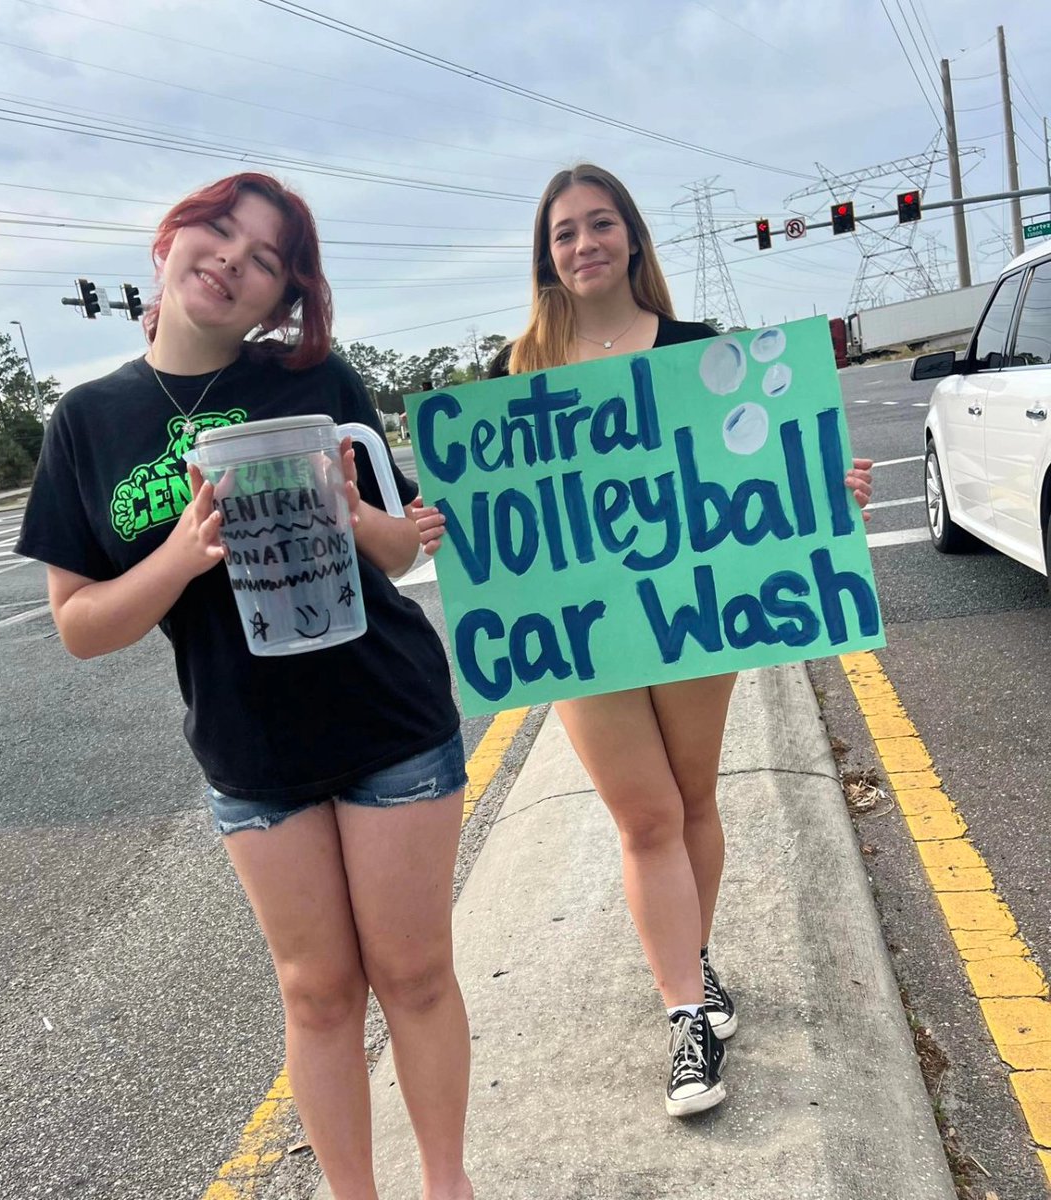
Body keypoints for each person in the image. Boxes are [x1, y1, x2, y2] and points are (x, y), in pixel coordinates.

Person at [16, 172, 474, 1200]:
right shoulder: (87, 421)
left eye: (266, 258)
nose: (232, 258)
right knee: (317, 996)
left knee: (415, 976)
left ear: (280, 298)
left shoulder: (316, 379)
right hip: (250, 748)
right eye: (219, 229)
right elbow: (80, 625)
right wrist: (182, 553)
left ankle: (449, 1186)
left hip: (390, 716)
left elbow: (401, 548)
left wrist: (359, 513)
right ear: (170, 239)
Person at [413, 163, 872, 1119]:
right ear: (546, 255)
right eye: (565, 232)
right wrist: (441, 527)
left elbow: (757, 468)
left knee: (693, 800)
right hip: (584, 632)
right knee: (646, 818)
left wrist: (825, 489)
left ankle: (691, 960)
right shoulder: (516, 374)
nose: (584, 244)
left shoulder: (699, 351)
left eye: (600, 224)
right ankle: (685, 1018)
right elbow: (491, 509)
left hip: (693, 610)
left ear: (632, 236)